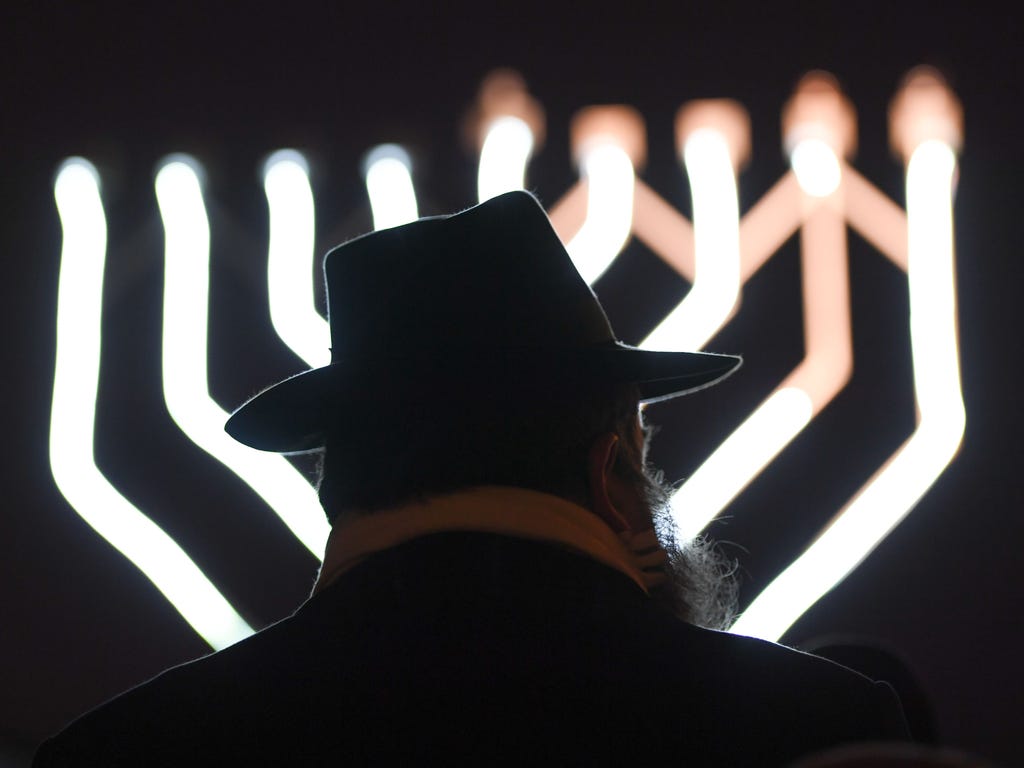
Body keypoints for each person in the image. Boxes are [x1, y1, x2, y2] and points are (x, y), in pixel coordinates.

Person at [34, 191, 909, 766]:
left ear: (334, 487)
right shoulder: (818, 732)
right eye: (641, 450)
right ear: (611, 476)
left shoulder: (124, 750)